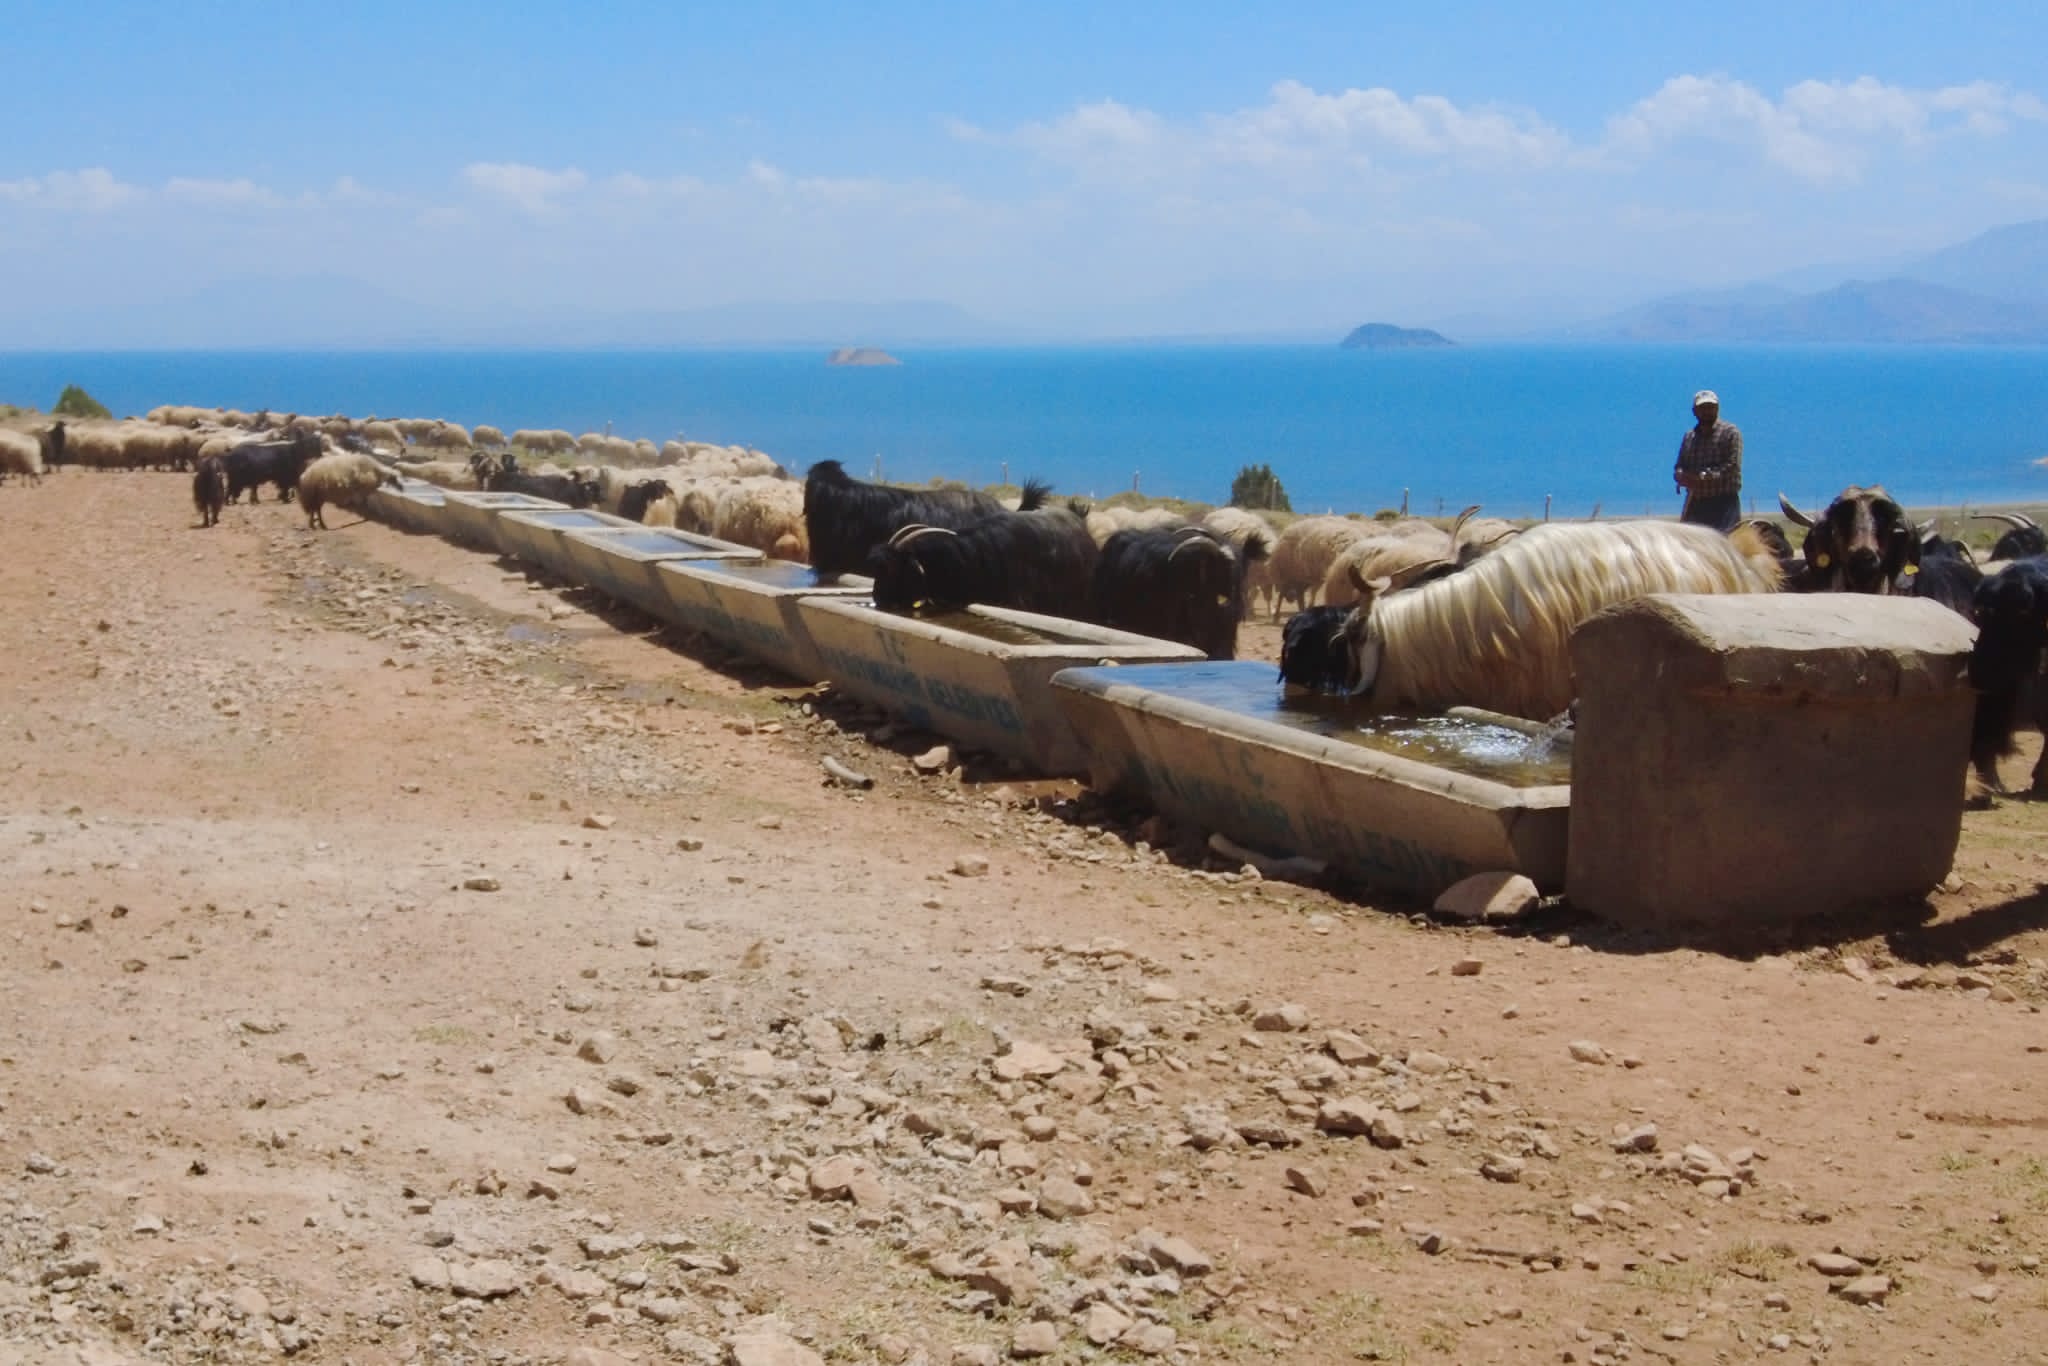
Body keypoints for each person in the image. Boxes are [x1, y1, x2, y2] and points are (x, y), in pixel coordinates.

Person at [1674, 389, 1742, 531]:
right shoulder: (1689, 437)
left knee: (1725, 542)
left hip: (1724, 502)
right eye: (1702, 408)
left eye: (1710, 407)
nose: (1707, 412)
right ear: (1695, 411)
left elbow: (1732, 466)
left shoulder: (1730, 433)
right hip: (1696, 503)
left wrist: (1704, 477)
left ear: (1717, 409)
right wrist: (1680, 475)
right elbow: (1680, 464)